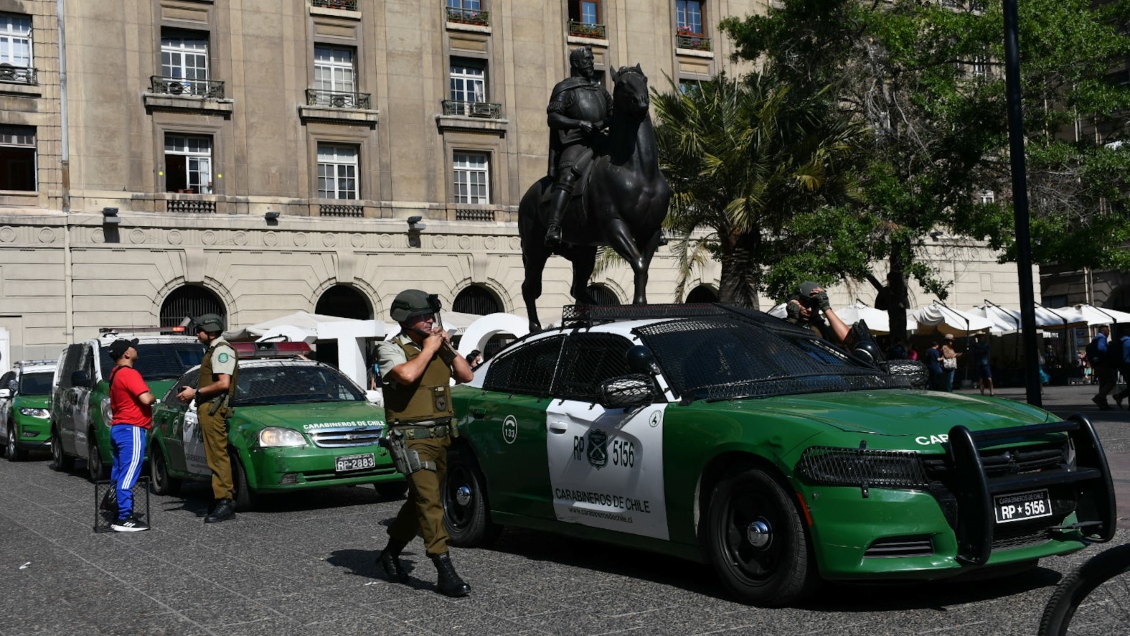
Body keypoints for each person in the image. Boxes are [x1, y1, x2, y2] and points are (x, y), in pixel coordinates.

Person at [374, 290, 475, 597]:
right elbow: (405, 375)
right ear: (406, 321)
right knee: (431, 504)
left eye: (431, 316)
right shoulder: (391, 348)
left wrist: (445, 346)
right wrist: (429, 349)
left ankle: (391, 552)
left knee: (419, 500)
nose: (430, 321)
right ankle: (444, 569)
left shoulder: (437, 346)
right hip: (412, 439)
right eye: (423, 317)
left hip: (442, 437)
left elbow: (466, 374)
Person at [544, 45, 613, 245]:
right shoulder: (565, 88)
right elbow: (553, 117)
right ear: (575, 63)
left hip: (602, 140)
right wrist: (579, 124)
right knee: (567, 176)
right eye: (586, 60)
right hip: (577, 142)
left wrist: (604, 123)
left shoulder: (600, 89)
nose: (591, 63)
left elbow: (612, 114)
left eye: (592, 59)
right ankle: (554, 225)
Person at [177, 314, 240, 523]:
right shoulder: (214, 350)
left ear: (210, 331)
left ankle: (225, 501)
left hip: (214, 410)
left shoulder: (222, 351)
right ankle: (218, 498)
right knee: (213, 456)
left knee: (218, 455)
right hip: (209, 408)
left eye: (199, 330)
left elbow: (223, 383)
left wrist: (195, 392)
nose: (197, 334)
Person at [106, 338, 156, 532]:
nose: (136, 349)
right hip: (131, 428)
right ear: (126, 354)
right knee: (128, 474)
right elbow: (145, 398)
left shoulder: (115, 373)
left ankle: (117, 511)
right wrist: (153, 397)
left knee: (118, 473)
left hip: (119, 427)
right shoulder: (129, 373)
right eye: (133, 347)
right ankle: (124, 518)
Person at [784, 281, 850, 345]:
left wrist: (826, 307)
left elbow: (846, 339)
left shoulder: (823, 329)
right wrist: (791, 321)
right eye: (806, 303)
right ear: (795, 301)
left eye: (815, 305)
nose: (809, 309)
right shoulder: (783, 324)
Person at [1089, 325, 1115, 410]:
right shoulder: (1102, 338)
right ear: (1104, 331)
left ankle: (1103, 403)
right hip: (1103, 363)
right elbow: (1101, 348)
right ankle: (1100, 397)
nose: (1108, 333)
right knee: (1111, 381)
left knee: (1103, 383)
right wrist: (1108, 349)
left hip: (1097, 363)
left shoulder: (1095, 339)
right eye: (1108, 331)